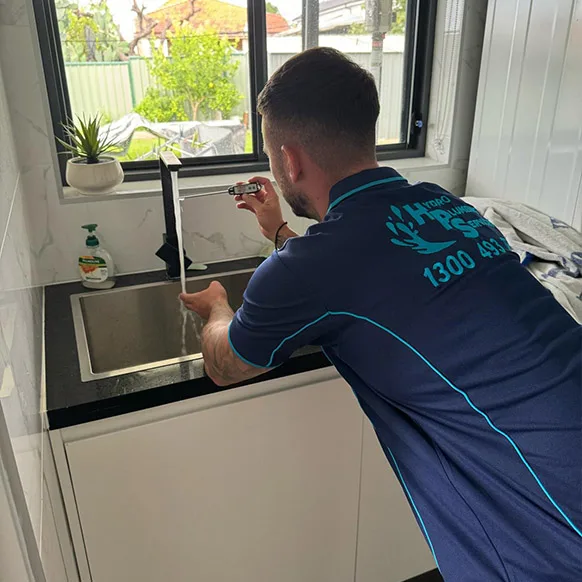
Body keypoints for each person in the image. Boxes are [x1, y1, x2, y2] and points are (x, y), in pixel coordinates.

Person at [180, 47, 582, 581]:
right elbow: (376, 269)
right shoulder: (447, 206)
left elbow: (227, 366)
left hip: (548, 519)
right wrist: (279, 233)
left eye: (275, 161)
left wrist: (216, 308)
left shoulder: (313, 267)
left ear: (290, 160)